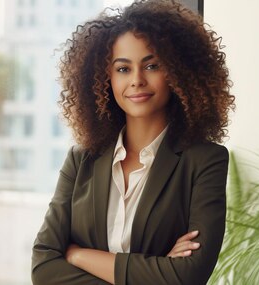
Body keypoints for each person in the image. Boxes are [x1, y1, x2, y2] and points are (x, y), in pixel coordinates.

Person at [32, 0, 234, 284]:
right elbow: (43, 269)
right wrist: (156, 270)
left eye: (151, 66)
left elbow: (188, 275)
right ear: (105, 79)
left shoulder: (205, 160)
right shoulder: (81, 160)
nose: (137, 80)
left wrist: (77, 256)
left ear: (178, 74)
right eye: (123, 69)